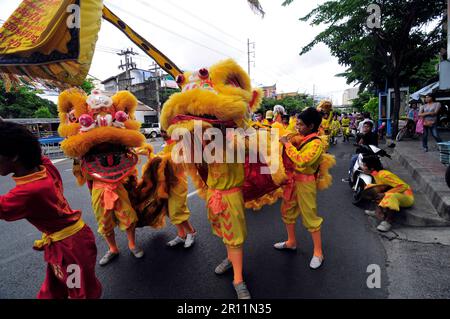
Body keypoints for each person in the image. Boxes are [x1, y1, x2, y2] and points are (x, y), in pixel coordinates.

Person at [0, 121, 102, 299]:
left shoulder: (28, 191)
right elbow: (27, 144)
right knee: (55, 288)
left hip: (70, 249)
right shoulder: (45, 168)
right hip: (71, 242)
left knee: (79, 292)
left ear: (15, 156)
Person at [277, 108, 326, 269]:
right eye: (296, 123)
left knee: (310, 216)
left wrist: (286, 144)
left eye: (300, 124)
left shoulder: (317, 143)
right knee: (287, 211)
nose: (297, 127)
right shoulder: (303, 138)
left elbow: (302, 160)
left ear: (311, 126)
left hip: (306, 183)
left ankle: (318, 253)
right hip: (293, 181)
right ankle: (291, 242)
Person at [161, 130, 197, 248]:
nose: (162, 133)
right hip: (168, 183)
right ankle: (181, 235)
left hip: (178, 183)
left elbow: (177, 162)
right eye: (161, 131)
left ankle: (191, 232)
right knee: (170, 211)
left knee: (177, 210)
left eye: (165, 130)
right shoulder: (167, 145)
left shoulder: (179, 144)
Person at [362, 156, 414, 232]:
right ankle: (378, 212)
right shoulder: (375, 173)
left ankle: (388, 221)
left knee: (389, 195)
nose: (363, 167)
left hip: (406, 196)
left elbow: (403, 186)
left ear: (372, 168)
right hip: (396, 192)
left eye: (364, 165)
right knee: (370, 187)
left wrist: (384, 194)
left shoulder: (384, 174)